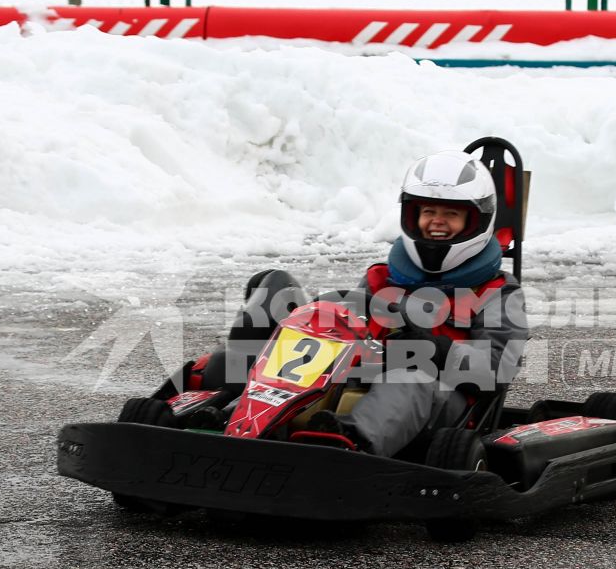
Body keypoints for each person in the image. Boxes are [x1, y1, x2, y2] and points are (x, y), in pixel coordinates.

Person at [174, 150, 528, 455]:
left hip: (443, 399)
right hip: (366, 377)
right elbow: (351, 320)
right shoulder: (381, 277)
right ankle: (232, 421)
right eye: (428, 211)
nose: (437, 221)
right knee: (303, 356)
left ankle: (347, 445)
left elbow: (497, 370)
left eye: (451, 214)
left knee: (410, 376)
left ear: (474, 222)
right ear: (410, 215)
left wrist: (435, 349)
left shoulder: (498, 292)